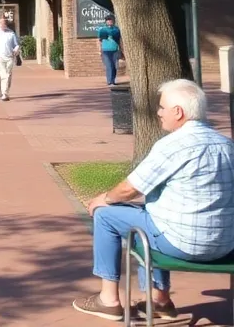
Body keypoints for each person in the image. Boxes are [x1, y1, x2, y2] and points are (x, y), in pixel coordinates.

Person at [72, 79, 234, 322]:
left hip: (183, 243)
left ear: (178, 112)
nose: (158, 113)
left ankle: (109, 300)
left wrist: (103, 198)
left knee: (106, 215)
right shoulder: (227, 145)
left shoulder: (173, 146)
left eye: (162, 107)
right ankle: (159, 300)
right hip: (226, 244)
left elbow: (129, 189)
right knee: (156, 215)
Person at [0, 19, 20, 101]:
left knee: (8, 75)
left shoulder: (11, 33)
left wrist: (16, 49)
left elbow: (16, 44)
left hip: (9, 57)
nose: (3, 25)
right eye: (1, 23)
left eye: (4, 23)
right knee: (4, 74)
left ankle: (6, 92)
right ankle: (4, 93)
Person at [97, 15, 122, 87]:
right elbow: (99, 41)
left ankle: (113, 81)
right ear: (106, 21)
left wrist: (120, 49)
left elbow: (119, 40)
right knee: (109, 65)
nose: (109, 21)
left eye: (110, 20)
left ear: (113, 21)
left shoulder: (116, 29)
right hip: (106, 50)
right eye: (108, 20)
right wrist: (99, 50)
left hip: (115, 50)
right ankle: (109, 81)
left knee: (114, 66)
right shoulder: (103, 30)